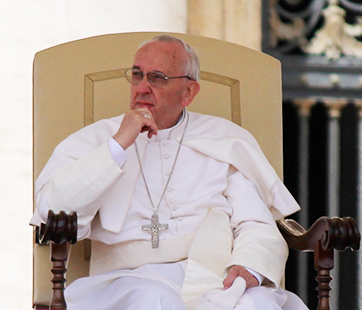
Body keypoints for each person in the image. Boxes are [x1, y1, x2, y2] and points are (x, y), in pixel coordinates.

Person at [31, 35, 309, 310]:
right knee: (155, 298)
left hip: (212, 277)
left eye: (157, 78)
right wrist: (118, 145)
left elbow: (256, 222)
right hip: (127, 280)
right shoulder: (97, 139)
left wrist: (251, 266)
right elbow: (52, 210)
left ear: (188, 92)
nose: (142, 87)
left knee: (257, 302)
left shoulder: (226, 140)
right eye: (137, 75)